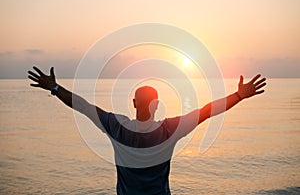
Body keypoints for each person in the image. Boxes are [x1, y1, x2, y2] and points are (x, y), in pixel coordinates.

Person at [27, 66, 266, 195]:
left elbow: (82, 106)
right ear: (157, 105)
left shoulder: (116, 126)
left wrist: (55, 87)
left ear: (133, 102)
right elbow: (207, 110)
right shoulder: (170, 129)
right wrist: (239, 96)